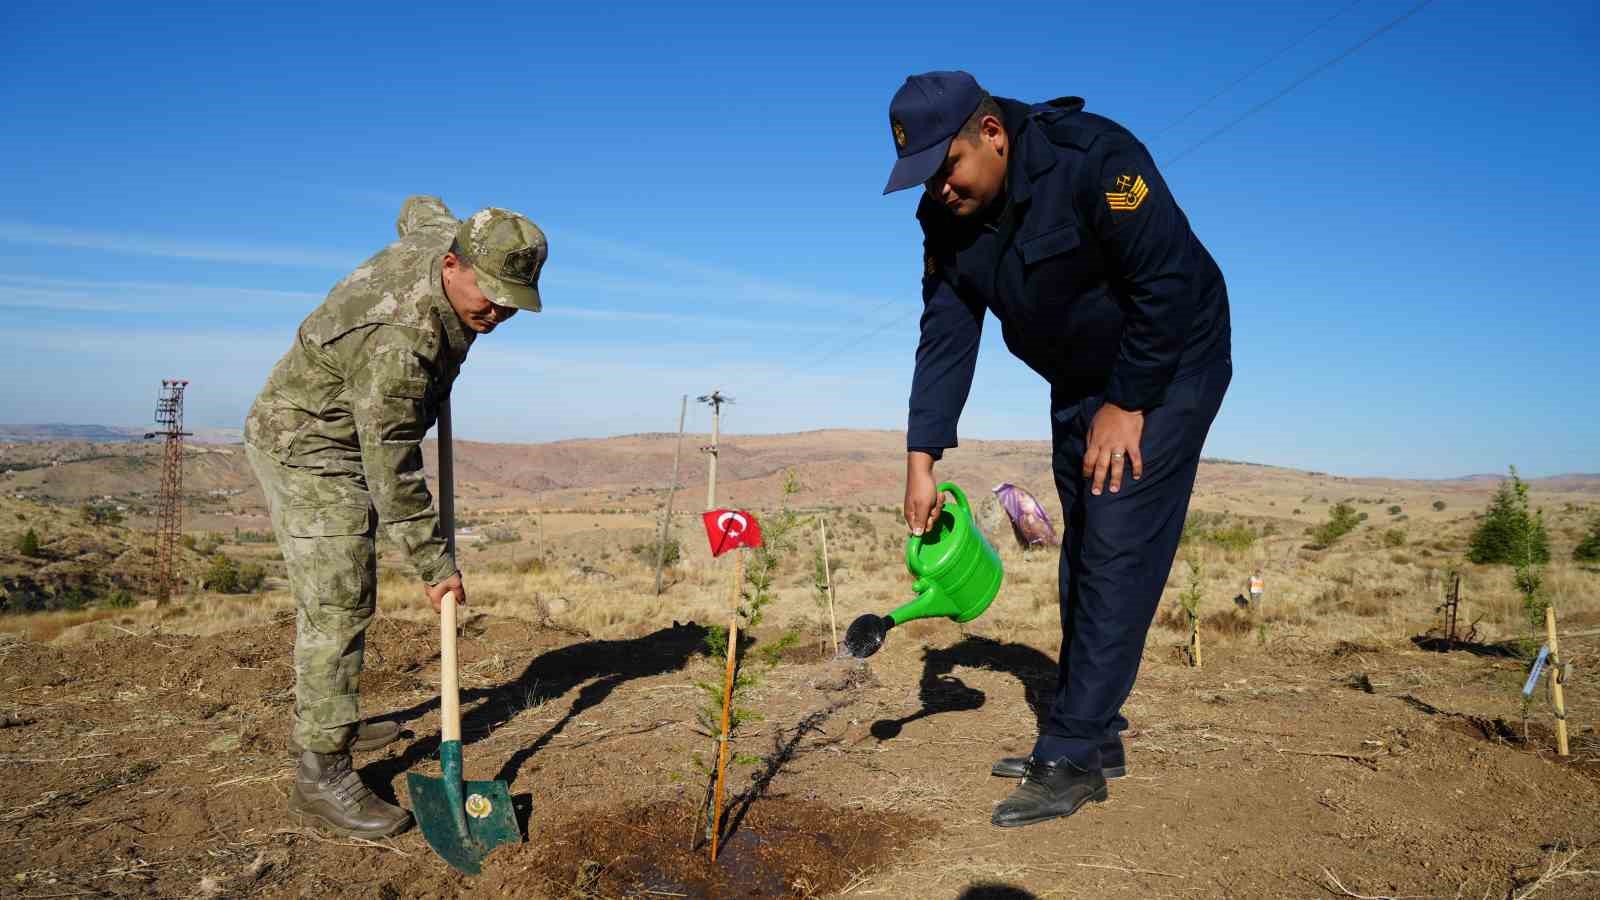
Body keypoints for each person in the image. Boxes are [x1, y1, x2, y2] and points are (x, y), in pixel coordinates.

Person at [884, 71, 1231, 827]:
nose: (940, 189)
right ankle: (1096, 732)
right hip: (1081, 378)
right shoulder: (942, 218)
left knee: (1115, 542)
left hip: (1169, 364)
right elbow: (946, 331)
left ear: (993, 135)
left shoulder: (1095, 159)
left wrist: (1130, 399)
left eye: (947, 167)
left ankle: (1071, 752)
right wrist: (922, 457)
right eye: (924, 177)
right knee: (1086, 546)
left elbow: (1168, 282)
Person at [244, 195, 547, 837]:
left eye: (511, 301)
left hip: (355, 432)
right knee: (339, 599)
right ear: (450, 265)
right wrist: (436, 566)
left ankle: (336, 714)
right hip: (311, 444)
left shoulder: (445, 240)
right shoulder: (399, 347)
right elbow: (392, 472)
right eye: (487, 296)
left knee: (345, 593)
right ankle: (320, 772)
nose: (495, 313)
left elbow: (419, 208)